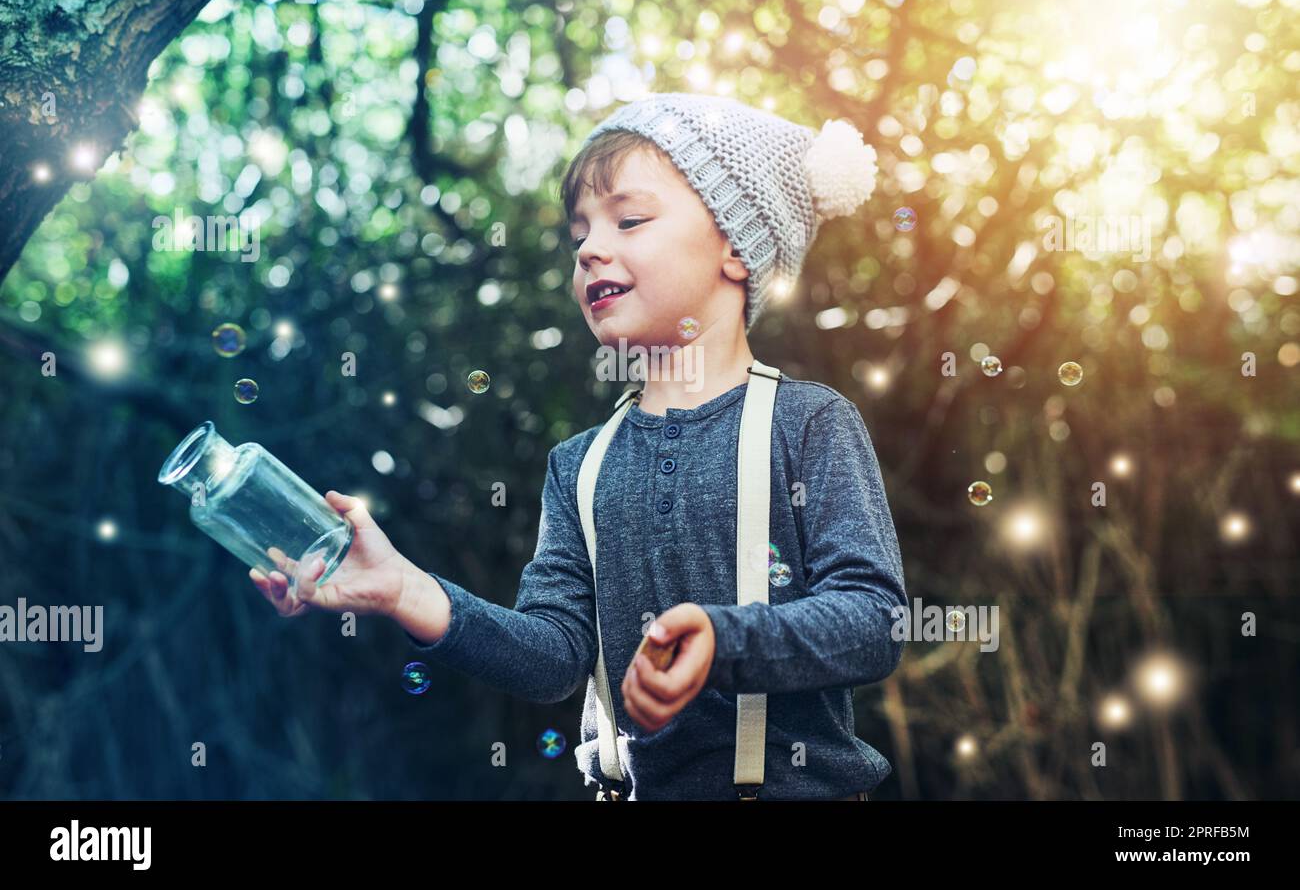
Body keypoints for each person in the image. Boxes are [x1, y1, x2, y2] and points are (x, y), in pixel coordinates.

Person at [249, 93, 907, 800]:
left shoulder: (808, 424)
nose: (591, 249)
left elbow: (874, 620)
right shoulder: (579, 466)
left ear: (735, 250)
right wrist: (410, 589)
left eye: (629, 219)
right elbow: (555, 658)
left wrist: (726, 640)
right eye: (579, 237)